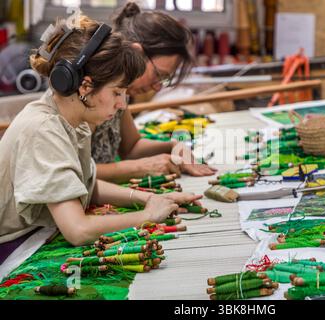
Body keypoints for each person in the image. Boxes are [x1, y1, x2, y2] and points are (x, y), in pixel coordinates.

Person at [0, 16, 202, 262]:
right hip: (13, 249)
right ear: (85, 87)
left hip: (36, 235)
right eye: (117, 92)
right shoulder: (44, 129)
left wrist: (151, 198)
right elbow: (78, 230)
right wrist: (146, 216)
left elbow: (85, 184)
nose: (121, 104)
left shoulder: (74, 121)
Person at [91, 2, 217, 184]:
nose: (158, 87)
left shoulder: (121, 93)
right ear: (136, 52)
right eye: (159, 75)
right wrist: (140, 167)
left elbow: (131, 147)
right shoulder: (93, 92)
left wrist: (173, 146)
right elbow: (75, 173)